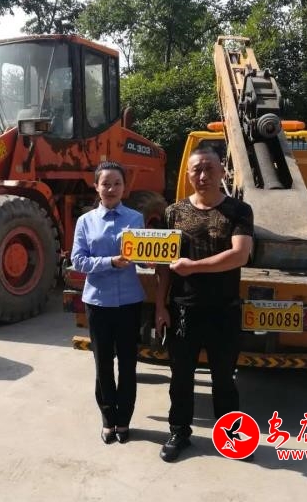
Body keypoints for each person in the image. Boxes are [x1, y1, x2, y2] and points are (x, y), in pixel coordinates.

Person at [155, 145, 254, 462]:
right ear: (188, 174)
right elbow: (163, 266)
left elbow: (239, 255)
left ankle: (230, 439)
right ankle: (179, 432)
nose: (203, 175)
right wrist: (160, 306)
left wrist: (194, 267)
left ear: (222, 171)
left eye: (209, 168)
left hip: (224, 309)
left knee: (224, 378)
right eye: (196, 169)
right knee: (180, 377)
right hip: (183, 308)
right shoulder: (174, 212)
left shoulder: (239, 211)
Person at [71, 161, 145, 444]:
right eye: (106, 183)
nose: (111, 189)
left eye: (117, 183)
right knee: (102, 364)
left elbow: (142, 255)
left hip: (129, 302)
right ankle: (107, 419)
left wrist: (151, 260)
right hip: (98, 303)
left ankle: (124, 420)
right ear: (96, 187)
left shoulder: (136, 218)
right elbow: (78, 260)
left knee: (127, 364)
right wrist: (110, 262)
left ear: (124, 187)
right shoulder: (85, 221)